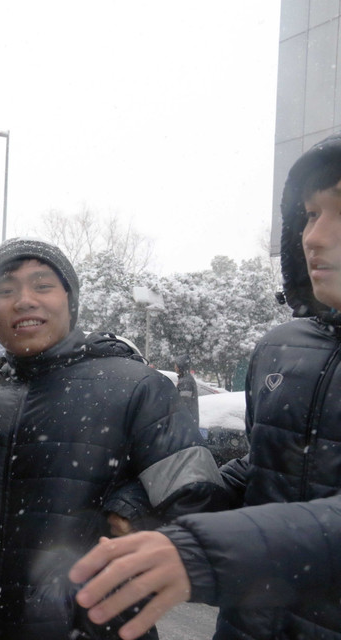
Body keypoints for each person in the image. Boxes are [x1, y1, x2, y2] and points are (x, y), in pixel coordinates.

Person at [69, 134, 341, 640]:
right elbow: (266, 471)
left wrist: (200, 551)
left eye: (340, 212)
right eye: (309, 214)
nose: (314, 236)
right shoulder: (282, 348)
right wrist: (152, 512)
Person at [0, 238, 227, 640]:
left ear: (71, 300)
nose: (24, 300)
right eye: (5, 290)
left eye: (42, 285)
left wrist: (134, 508)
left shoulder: (136, 387)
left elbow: (202, 500)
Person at [174, 356, 199, 427]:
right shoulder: (185, 379)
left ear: (180, 366)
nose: (175, 367)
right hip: (188, 422)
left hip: (186, 423)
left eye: (176, 364)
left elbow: (184, 403)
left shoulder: (185, 382)